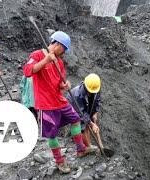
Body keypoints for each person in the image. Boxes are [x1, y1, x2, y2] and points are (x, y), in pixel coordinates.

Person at [23, 31, 94, 174]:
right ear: (57, 44)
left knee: (75, 120)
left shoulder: (59, 61)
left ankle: (81, 149)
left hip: (59, 100)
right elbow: (28, 71)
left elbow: (60, 83)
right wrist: (46, 60)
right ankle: (60, 162)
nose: (65, 52)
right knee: (52, 135)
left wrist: (65, 85)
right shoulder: (37, 55)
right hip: (45, 103)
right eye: (64, 48)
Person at [67, 73, 101, 151]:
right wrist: (92, 124)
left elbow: (97, 101)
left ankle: (88, 144)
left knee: (88, 123)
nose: (91, 92)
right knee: (82, 125)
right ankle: (86, 147)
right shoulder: (77, 95)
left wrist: (95, 112)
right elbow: (82, 114)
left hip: (84, 104)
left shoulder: (96, 88)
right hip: (74, 105)